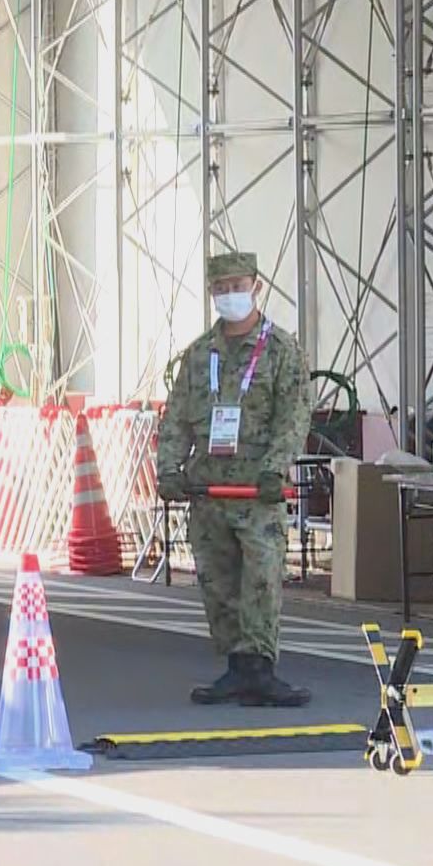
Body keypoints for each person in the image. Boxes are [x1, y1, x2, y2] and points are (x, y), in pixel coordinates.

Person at [155, 252, 312, 707]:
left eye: (237, 286)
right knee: (217, 581)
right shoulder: (198, 355)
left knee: (261, 578)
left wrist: (276, 468)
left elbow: (293, 417)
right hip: (209, 490)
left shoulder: (281, 350)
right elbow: (176, 417)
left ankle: (261, 667)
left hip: (257, 490)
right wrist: (169, 468)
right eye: (220, 289)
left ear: (255, 287)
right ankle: (236, 667)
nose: (229, 296)